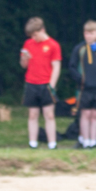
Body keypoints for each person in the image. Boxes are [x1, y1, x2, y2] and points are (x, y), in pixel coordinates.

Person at [69, 20, 96, 149]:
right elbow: (72, 67)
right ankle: (85, 141)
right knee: (85, 114)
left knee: (95, 114)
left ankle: (94, 140)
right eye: (86, 33)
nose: (88, 36)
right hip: (85, 88)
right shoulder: (79, 49)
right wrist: (81, 80)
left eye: (91, 33)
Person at [20, 17, 61, 149]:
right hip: (31, 83)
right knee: (32, 114)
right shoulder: (28, 43)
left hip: (46, 84)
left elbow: (56, 66)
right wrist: (24, 59)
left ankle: (52, 143)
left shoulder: (53, 45)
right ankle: (33, 143)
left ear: (42, 30)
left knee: (49, 114)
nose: (33, 37)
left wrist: (52, 85)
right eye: (31, 35)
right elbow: (23, 65)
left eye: (35, 34)